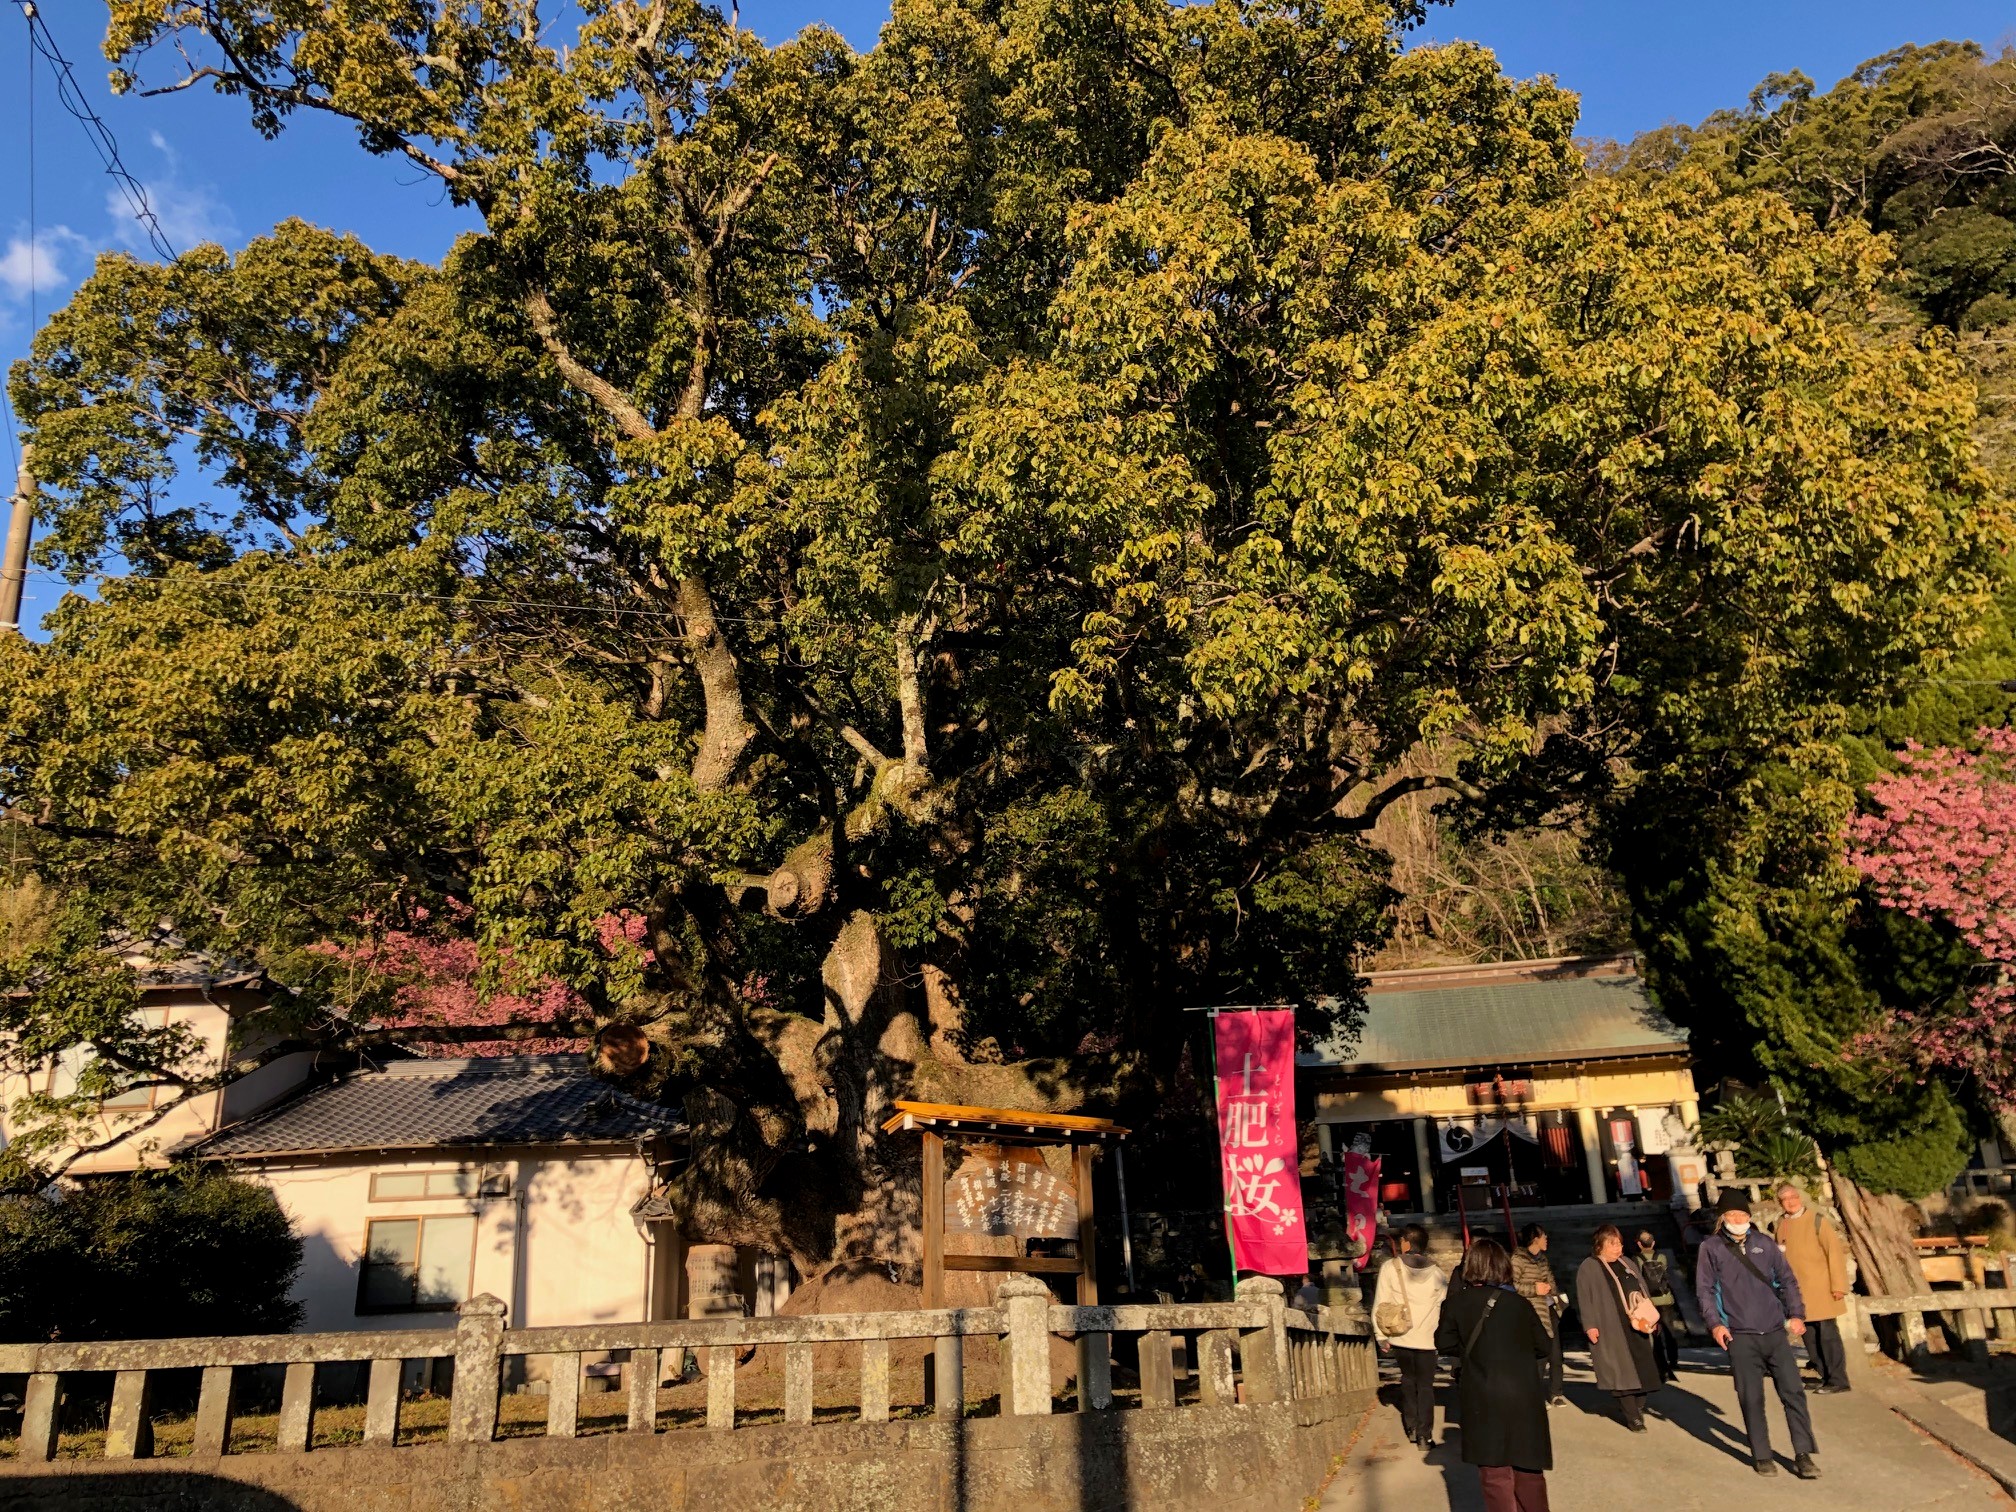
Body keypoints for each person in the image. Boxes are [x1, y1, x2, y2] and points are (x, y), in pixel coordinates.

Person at [1695, 1189, 1820, 1479]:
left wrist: (1797, 1314)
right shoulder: (1711, 1248)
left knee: (1794, 1393)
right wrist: (1715, 1323)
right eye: (1731, 1214)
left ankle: (1803, 1454)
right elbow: (1705, 1289)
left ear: (1749, 1217)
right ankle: (1762, 1454)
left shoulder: (1765, 1243)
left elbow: (1787, 1280)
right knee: (1751, 1397)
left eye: (1742, 1214)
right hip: (1739, 1334)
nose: (1737, 1219)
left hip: (1775, 1332)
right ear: (1722, 1218)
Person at [1437, 1238, 1554, 1512]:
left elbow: (1443, 1343)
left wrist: (1470, 1351)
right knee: (1528, 1468)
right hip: (1523, 1392)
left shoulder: (1456, 1304)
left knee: (1494, 1472)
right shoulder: (1519, 1304)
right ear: (1503, 1266)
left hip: (1482, 1391)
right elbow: (1544, 1346)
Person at [1574, 1223, 1663, 1431]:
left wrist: (1651, 1316)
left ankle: (1638, 1406)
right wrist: (1590, 1325)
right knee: (1619, 1372)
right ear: (1600, 1245)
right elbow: (1584, 1298)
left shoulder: (1627, 1263)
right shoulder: (1589, 1266)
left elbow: (1643, 1290)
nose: (1618, 1248)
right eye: (1612, 1244)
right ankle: (1633, 1416)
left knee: (1644, 1369)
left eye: (1620, 1244)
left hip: (1637, 1325)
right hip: (1609, 1326)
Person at [1373, 1223, 1449, 1452]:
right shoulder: (1437, 1273)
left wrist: (1380, 1335)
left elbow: (1381, 1302)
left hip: (1400, 1335)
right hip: (1427, 1337)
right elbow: (1441, 1305)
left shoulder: (1391, 1267)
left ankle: (1412, 1427)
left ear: (1406, 1242)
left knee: (1408, 1380)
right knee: (1425, 1386)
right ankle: (1425, 1436)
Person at [1771, 1182, 1852, 1393]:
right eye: (1785, 1199)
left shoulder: (1817, 1220)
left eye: (1793, 1197)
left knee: (1827, 1335)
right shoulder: (1782, 1223)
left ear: (1800, 1198)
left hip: (1821, 1288)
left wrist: (1839, 1285)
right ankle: (1824, 1375)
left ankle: (1838, 1379)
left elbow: (1834, 1253)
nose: (1790, 1202)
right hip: (1796, 1291)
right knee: (1808, 1336)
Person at [1511, 1223, 1566, 1405]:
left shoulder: (1543, 1259)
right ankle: (1534, 1394)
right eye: (1543, 1236)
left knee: (1556, 1354)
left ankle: (1556, 1392)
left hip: (1549, 1308)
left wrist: (1553, 1292)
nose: (1546, 1239)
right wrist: (1534, 1289)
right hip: (1532, 1312)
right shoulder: (1517, 1260)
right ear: (1535, 1238)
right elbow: (1513, 1286)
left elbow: (1551, 1280)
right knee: (1539, 1355)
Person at [1634, 1229, 1684, 1382]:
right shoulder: (1661, 1257)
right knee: (1669, 1331)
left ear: (1638, 1244)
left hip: (1649, 1301)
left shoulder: (1637, 1259)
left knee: (1653, 1333)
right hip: (1665, 1298)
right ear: (1653, 1243)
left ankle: (1658, 1360)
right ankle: (1674, 1360)